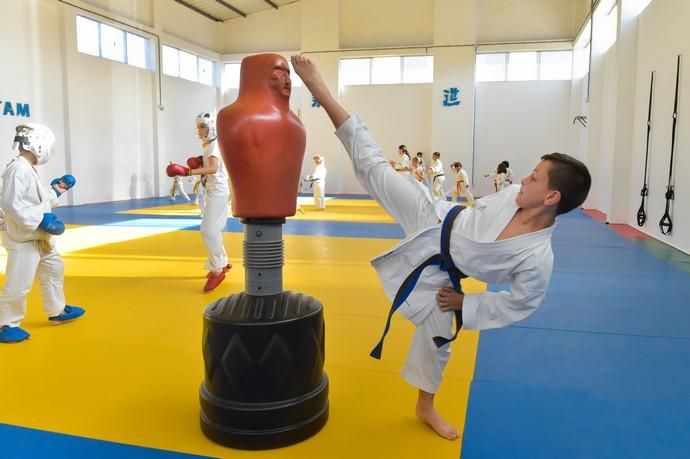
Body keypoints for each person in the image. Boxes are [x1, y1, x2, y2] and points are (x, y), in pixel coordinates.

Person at [291, 54, 591, 441]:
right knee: (374, 168)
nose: (523, 180)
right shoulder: (516, 194)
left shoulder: (536, 257)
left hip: (443, 270)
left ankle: (425, 404)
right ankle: (320, 90)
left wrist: (466, 304)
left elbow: (520, 303)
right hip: (434, 214)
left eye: (534, 177)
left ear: (551, 197)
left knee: (438, 339)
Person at [0, 123, 85, 343]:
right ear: (39, 144)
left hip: (38, 238)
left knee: (54, 269)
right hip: (23, 238)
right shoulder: (17, 169)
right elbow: (11, 204)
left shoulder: (28, 168)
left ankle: (57, 310)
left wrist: (57, 190)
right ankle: (5, 324)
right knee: (19, 283)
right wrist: (39, 220)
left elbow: (38, 200)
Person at [166, 112, 231, 292]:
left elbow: (212, 168)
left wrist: (187, 171)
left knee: (208, 230)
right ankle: (222, 262)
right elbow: (209, 167)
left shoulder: (214, 146)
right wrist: (198, 161)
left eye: (203, 126)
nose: (200, 130)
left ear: (211, 127)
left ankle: (217, 270)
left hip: (218, 190)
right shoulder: (209, 145)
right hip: (213, 190)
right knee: (213, 229)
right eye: (199, 126)